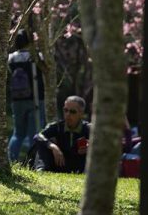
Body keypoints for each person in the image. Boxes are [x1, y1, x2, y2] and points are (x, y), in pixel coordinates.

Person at [7, 29, 46, 162]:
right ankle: (33, 161)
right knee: (33, 134)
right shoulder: (36, 56)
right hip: (35, 98)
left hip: (17, 100)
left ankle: (11, 160)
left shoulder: (11, 58)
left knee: (18, 133)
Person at [34, 95, 91, 173]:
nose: (68, 114)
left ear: (81, 113)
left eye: (72, 112)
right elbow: (38, 136)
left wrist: (91, 147)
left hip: (80, 167)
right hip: (59, 165)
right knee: (43, 143)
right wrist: (53, 146)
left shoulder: (88, 128)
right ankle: (41, 169)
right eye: (65, 110)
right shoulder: (57, 126)